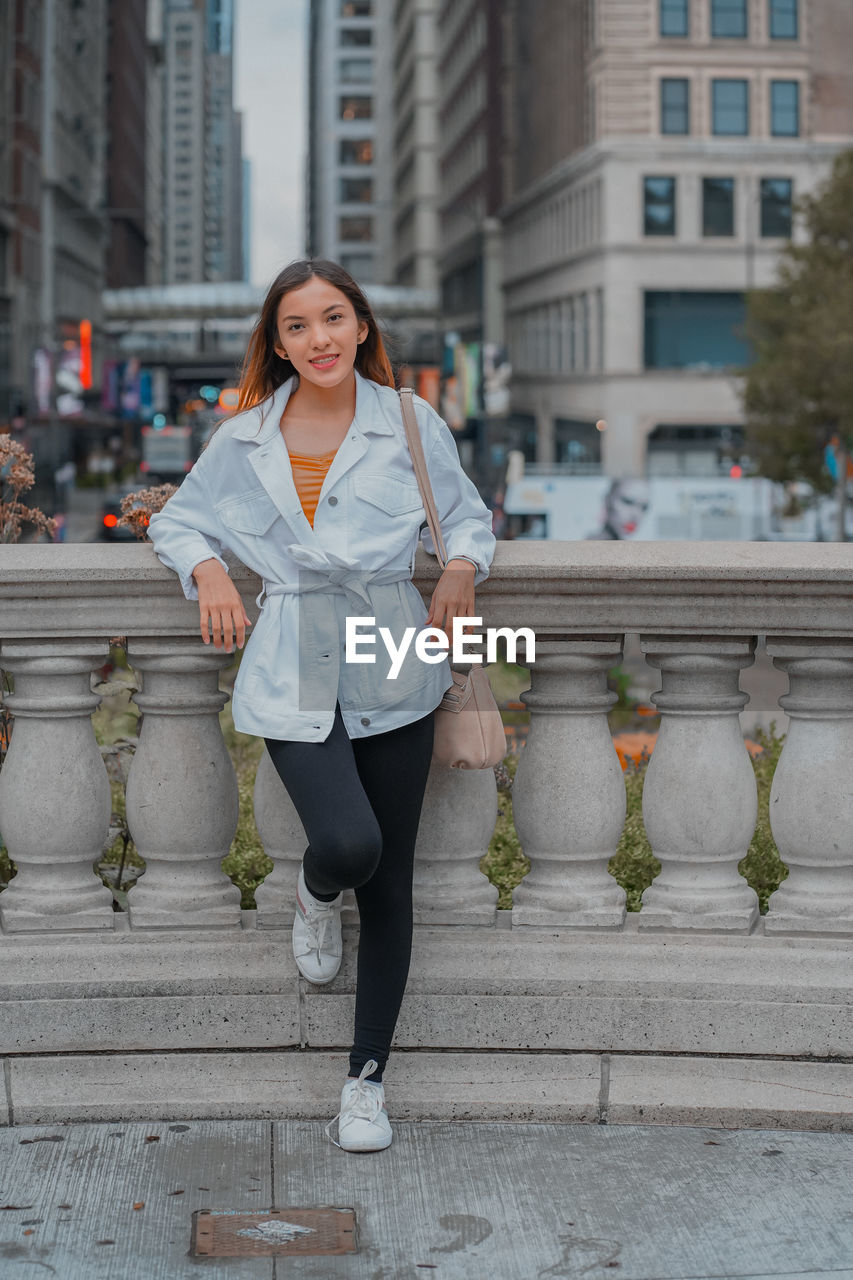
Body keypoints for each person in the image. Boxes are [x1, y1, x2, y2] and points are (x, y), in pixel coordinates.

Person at [146, 259, 496, 1152]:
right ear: (276, 342)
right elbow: (176, 519)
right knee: (347, 846)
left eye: (333, 319)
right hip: (294, 648)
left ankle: (365, 1083)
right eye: (296, 326)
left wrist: (458, 567)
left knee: (391, 885)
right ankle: (313, 889)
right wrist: (211, 569)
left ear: (363, 326)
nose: (319, 340)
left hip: (392, 649)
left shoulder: (409, 421)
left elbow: (466, 518)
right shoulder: (246, 436)